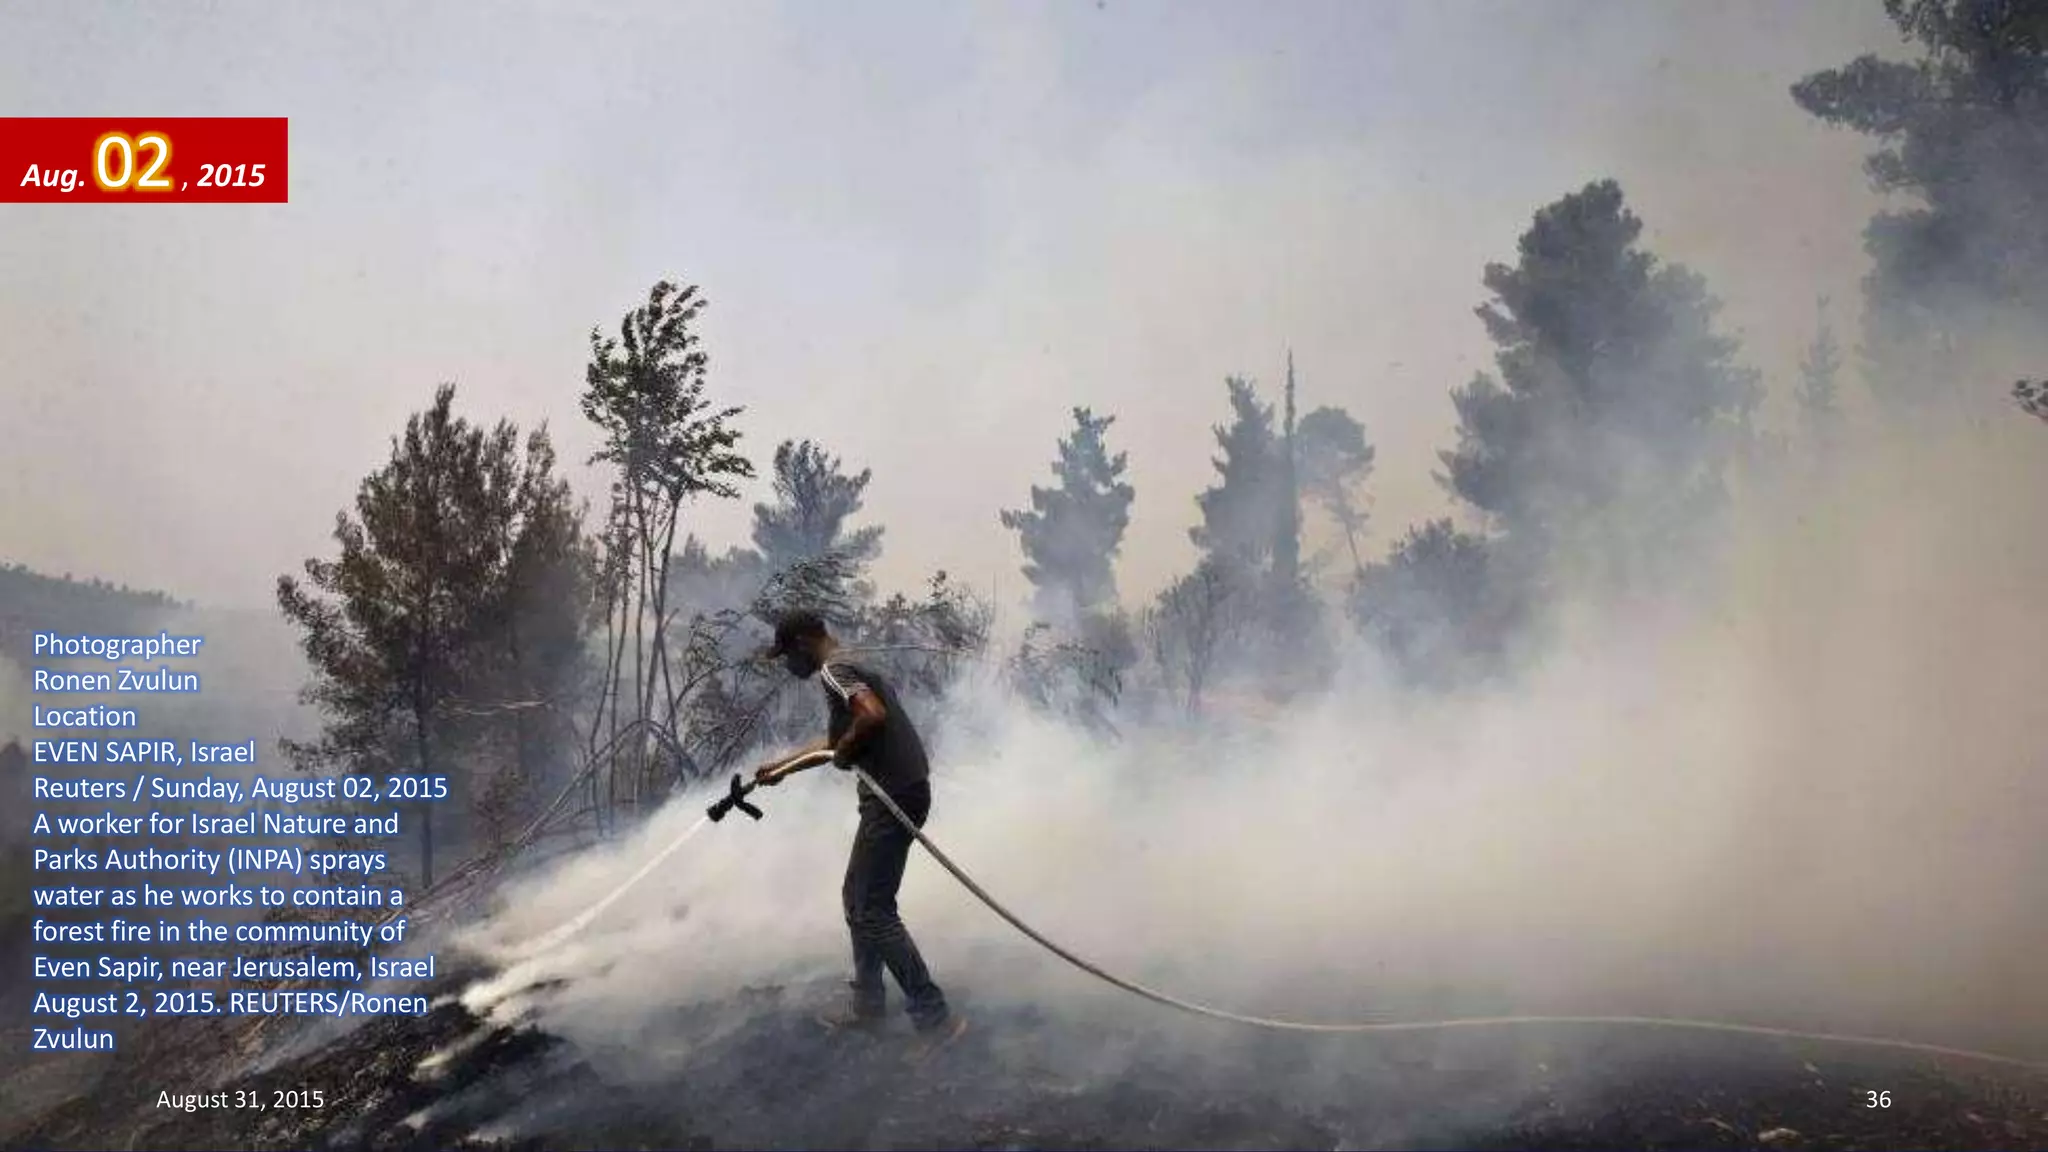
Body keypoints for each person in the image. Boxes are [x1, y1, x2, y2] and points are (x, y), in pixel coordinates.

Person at [754, 608, 967, 1050]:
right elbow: (835, 744)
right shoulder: (849, 664)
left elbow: (870, 718)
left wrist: (849, 750)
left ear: (801, 645)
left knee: (872, 908)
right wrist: (781, 767)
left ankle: (935, 1020)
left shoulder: (834, 670)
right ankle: (868, 1006)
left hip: (893, 796)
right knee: (857, 897)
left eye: (787, 656)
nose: (789, 667)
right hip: (901, 791)